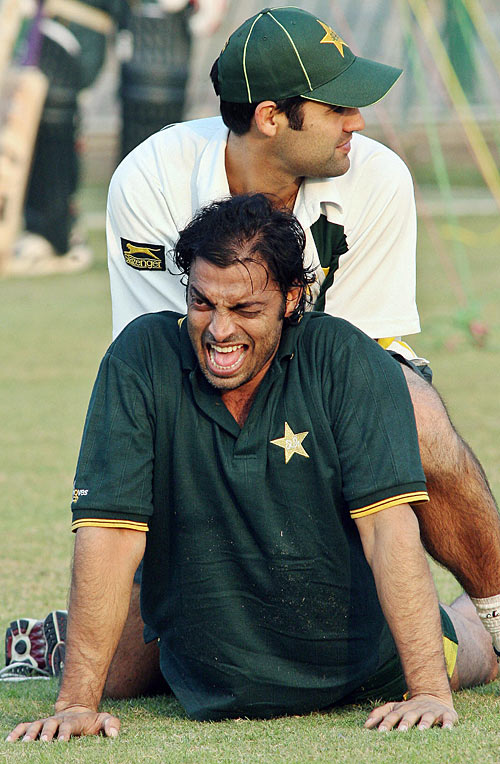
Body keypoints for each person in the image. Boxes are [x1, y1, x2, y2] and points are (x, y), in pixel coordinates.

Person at [6, 195, 498, 742]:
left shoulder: (346, 359)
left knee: (476, 649)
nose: (219, 330)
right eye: (203, 302)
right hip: (207, 664)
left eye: (244, 309)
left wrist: (428, 689)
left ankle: (473, 622)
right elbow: (109, 532)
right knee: (116, 676)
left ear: (292, 299)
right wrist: (76, 703)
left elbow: (388, 530)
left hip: (367, 664)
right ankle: (67, 641)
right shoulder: (140, 357)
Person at [104, 5, 500, 667]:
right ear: (270, 117)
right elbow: (179, 352)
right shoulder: (150, 181)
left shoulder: (377, 176)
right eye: (337, 107)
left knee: (418, 413)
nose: (358, 122)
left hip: (332, 393)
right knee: (126, 669)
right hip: (203, 400)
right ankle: (79, 627)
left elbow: (365, 361)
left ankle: (492, 610)